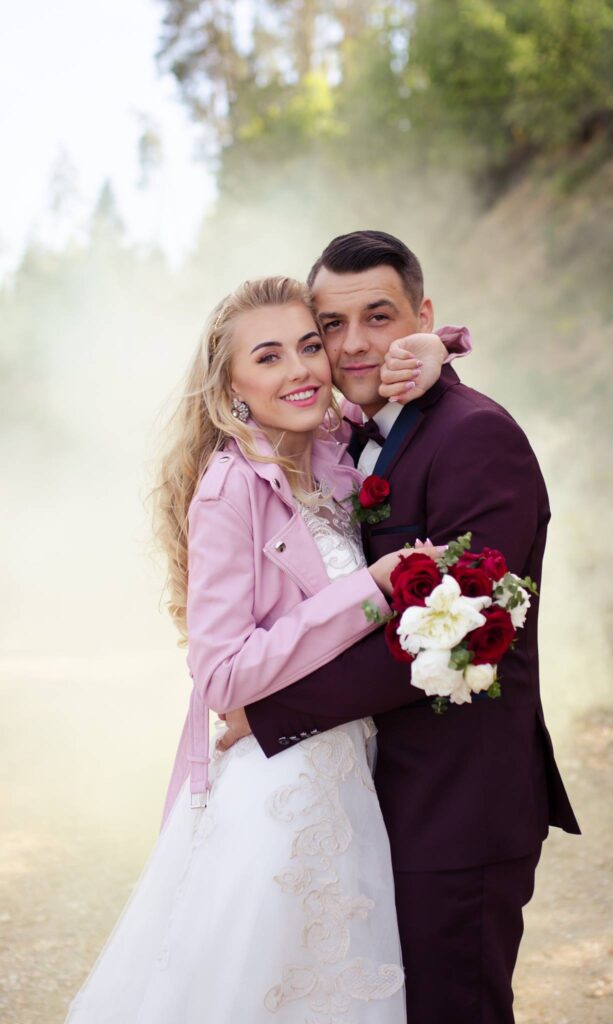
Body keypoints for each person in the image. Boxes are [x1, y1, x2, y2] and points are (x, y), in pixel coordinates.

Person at [64, 275, 457, 1023]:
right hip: (279, 796)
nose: (300, 370)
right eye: (268, 357)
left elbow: (394, 371)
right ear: (231, 387)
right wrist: (367, 590)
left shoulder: (330, 452)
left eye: (309, 347)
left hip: (351, 780)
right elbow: (221, 675)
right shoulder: (229, 491)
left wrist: (436, 348)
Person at [219, 230, 582, 1024]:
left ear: (421, 317)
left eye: (378, 318)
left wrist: (273, 713)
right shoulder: (346, 435)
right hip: (376, 800)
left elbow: (454, 637)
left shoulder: (475, 436)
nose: (353, 344)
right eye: (331, 325)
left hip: (458, 803)